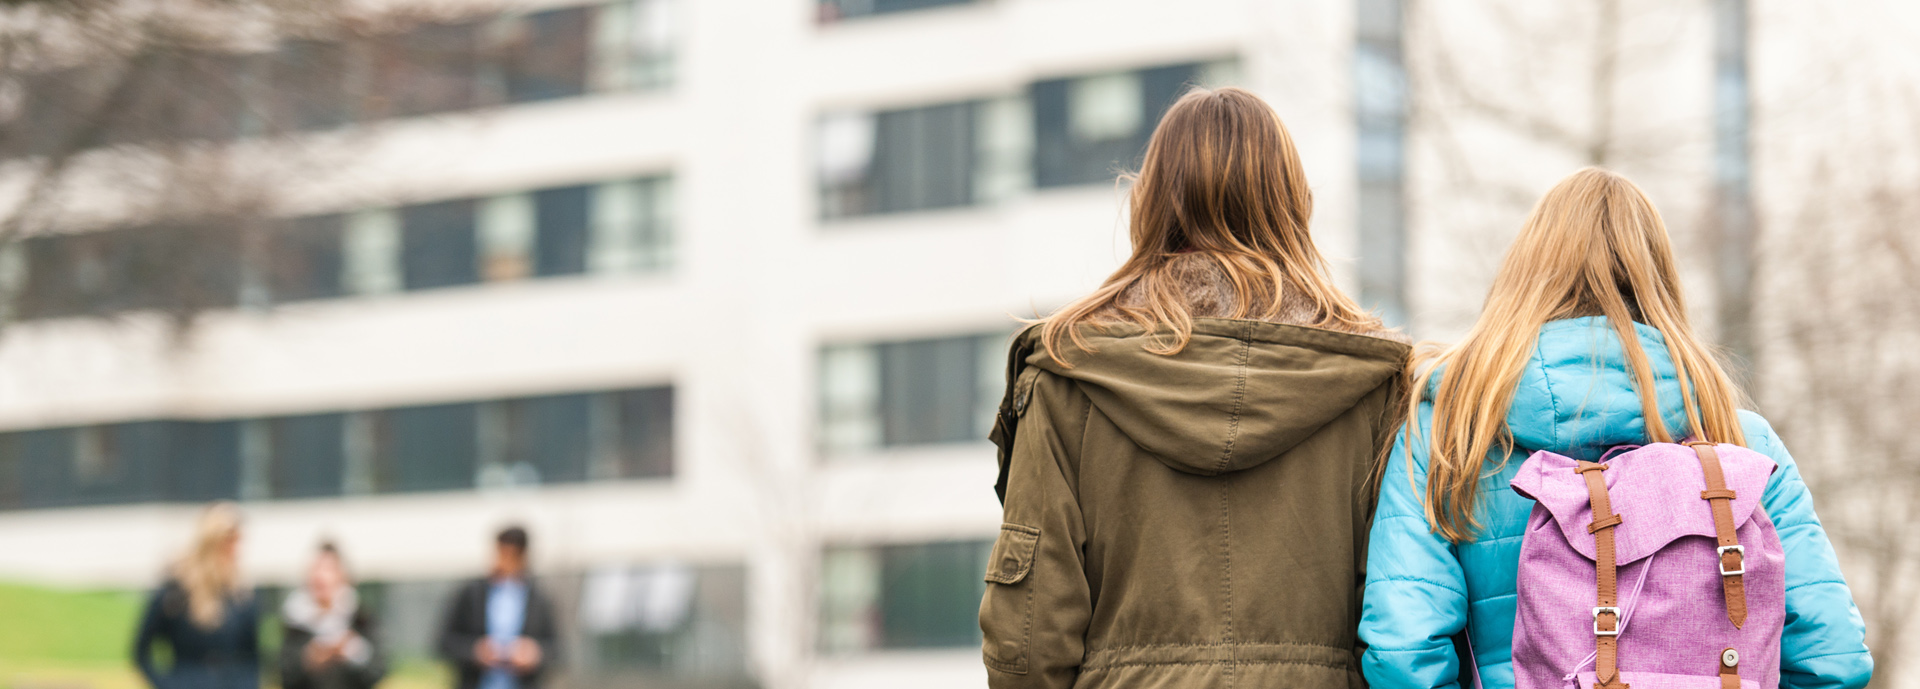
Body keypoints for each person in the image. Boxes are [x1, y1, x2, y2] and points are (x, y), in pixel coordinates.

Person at [1358, 168, 1873, 688]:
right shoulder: (1741, 444)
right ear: (1660, 281)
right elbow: (1834, 658)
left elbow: (1405, 652)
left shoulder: (1450, 435)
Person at [981, 86, 1411, 688]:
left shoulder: (1068, 375)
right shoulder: (1374, 385)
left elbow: (1027, 638)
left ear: (1151, 199)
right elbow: (1403, 622)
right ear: (1291, 202)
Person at [134, 502, 260, 689]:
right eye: (230, 543)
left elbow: (253, 655)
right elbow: (141, 651)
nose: (236, 552)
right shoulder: (176, 593)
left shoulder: (241, 596)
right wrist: (167, 684)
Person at [438, 526, 560, 689]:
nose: (505, 561)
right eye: (502, 553)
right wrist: (476, 651)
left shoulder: (539, 599)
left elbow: (557, 650)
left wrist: (534, 653)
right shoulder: (472, 595)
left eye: (512, 555)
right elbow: (444, 642)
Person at [280, 542, 386, 689]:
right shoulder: (295, 622)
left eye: (329, 569)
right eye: (317, 569)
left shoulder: (359, 617)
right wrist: (309, 661)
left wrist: (352, 653)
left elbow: (378, 670)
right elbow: (285, 675)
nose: (321, 577)